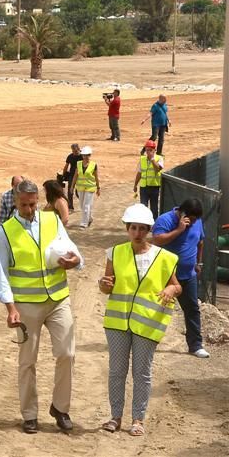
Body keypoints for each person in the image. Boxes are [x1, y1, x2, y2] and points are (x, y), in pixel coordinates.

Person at [0, 179, 83, 434]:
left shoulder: (52, 221)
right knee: (27, 361)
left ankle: (60, 408)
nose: (29, 210)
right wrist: (11, 309)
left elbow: (73, 249)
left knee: (67, 353)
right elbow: (1, 275)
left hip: (58, 300)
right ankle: (29, 414)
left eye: (33, 204)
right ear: (15, 201)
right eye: (24, 205)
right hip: (26, 306)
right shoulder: (4, 232)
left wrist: (74, 260)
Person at [99, 203, 181, 437]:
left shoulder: (164, 258)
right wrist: (103, 285)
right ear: (127, 228)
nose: (137, 233)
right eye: (133, 228)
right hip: (117, 323)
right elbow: (107, 286)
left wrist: (170, 291)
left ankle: (137, 419)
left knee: (141, 373)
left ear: (149, 230)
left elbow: (177, 286)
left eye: (142, 228)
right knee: (116, 371)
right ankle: (115, 417)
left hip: (147, 322)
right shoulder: (114, 253)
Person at [151, 198, 209, 359]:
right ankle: (147, 342)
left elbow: (200, 242)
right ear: (182, 213)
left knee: (192, 310)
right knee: (156, 309)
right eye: (192, 218)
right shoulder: (165, 219)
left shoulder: (197, 221)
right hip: (166, 275)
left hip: (188, 275)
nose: (194, 221)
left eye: (196, 219)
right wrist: (179, 230)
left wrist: (199, 263)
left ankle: (195, 346)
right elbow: (156, 240)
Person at [71, 146, 100, 228]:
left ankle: (84, 223)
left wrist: (98, 188)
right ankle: (89, 218)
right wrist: (72, 187)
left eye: (87, 155)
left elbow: (96, 177)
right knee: (82, 205)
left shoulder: (94, 165)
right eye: (84, 155)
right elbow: (75, 176)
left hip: (90, 188)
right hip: (80, 188)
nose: (85, 157)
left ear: (90, 155)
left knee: (86, 205)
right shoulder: (78, 164)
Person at [134, 140, 164, 219]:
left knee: (154, 208)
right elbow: (139, 173)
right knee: (143, 207)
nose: (148, 152)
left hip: (154, 187)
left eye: (150, 150)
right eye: (147, 150)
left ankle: (154, 224)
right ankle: (144, 224)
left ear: (155, 150)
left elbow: (158, 169)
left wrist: (152, 159)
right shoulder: (142, 159)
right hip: (144, 187)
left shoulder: (159, 158)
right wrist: (135, 185)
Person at [62, 144, 82, 212]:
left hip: (81, 176)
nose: (75, 152)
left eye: (76, 151)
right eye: (73, 151)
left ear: (79, 149)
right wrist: (63, 174)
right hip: (72, 175)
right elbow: (66, 166)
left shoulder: (83, 156)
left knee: (79, 192)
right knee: (70, 191)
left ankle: (84, 203)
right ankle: (70, 207)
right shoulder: (70, 156)